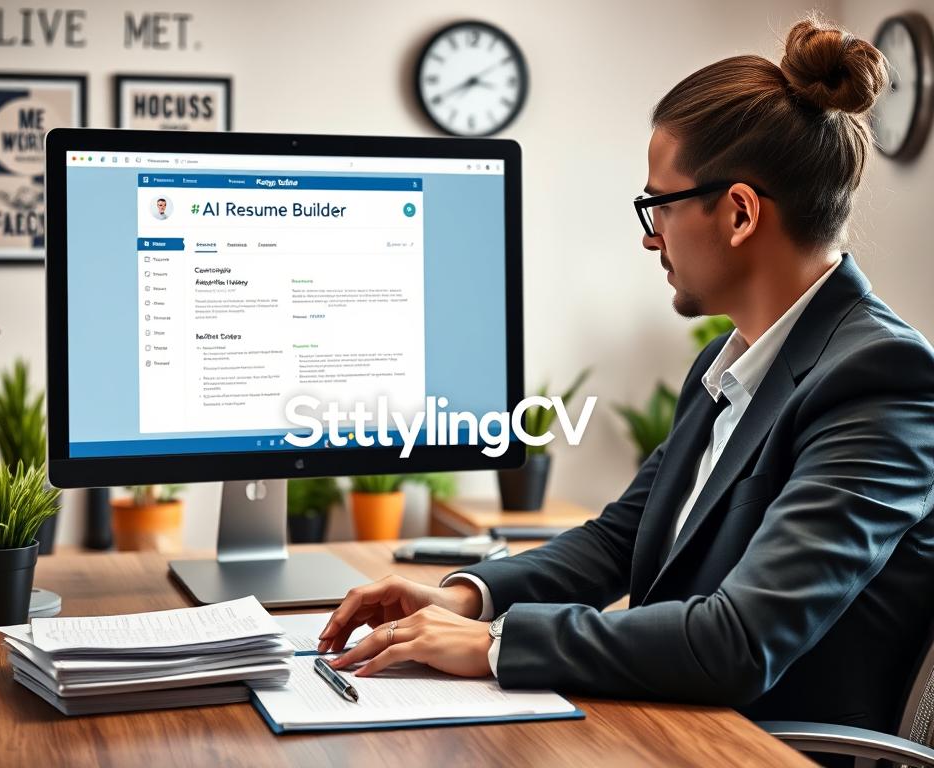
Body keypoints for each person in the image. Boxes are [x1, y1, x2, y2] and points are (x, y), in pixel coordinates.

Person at [317, 15, 934, 758]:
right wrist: (464, 597)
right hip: (669, 722)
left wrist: (493, 645)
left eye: (659, 205)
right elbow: (619, 540)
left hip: (756, 747)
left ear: (739, 212)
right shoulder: (730, 365)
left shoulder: (881, 380)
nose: (649, 235)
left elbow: (740, 642)